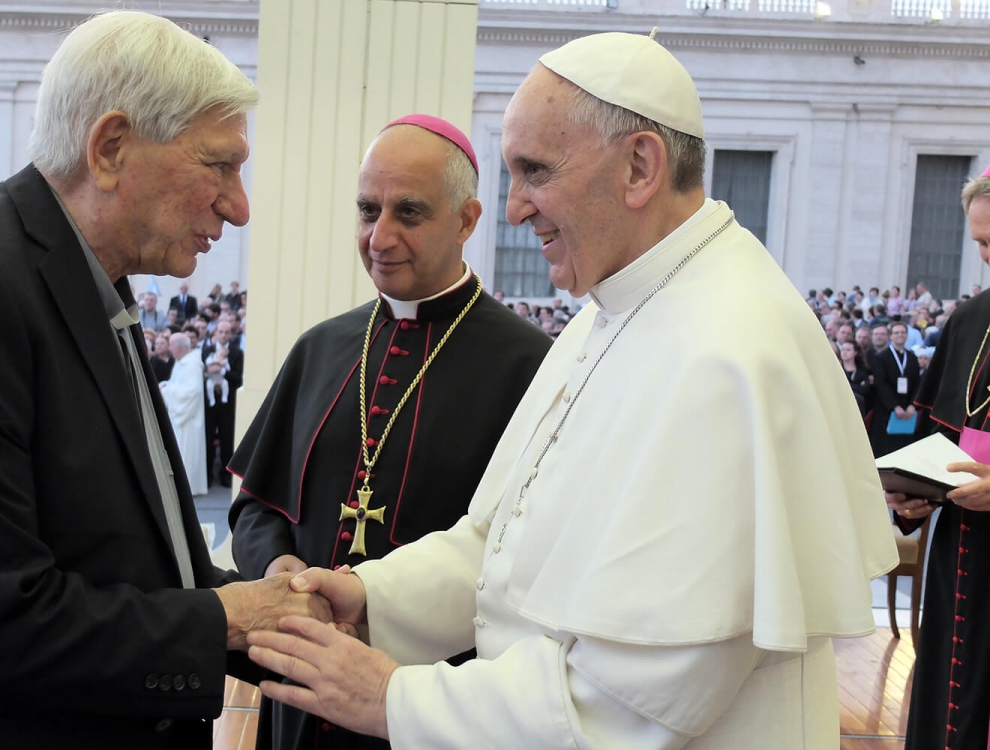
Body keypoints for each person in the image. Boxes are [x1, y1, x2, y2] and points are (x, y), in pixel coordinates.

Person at [243, 31, 897, 749]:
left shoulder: (729, 352)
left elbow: (627, 705)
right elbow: (502, 546)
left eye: (534, 171)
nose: (515, 208)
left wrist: (395, 697)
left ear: (640, 166)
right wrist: (373, 595)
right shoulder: (609, 313)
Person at [0, 12, 334, 749]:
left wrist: (265, 605)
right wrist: (232, 616)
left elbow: (116, 556)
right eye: (220, 165)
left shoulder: (88, 286)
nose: (238, 207)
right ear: (110, 148)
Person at [228, 114, 552, 750]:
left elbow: (521, 563)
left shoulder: (530, 368)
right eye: (367, 209)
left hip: (435, 705)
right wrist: (281, 571)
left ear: (465, 220)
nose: (380, 236)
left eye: (408, 212)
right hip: (302, 690)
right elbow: (255, 510)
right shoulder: (321, 349)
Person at [887, 166, 990, 750]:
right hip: (960, 563)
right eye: (978, 242)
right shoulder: (970, 320)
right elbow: (936, 441)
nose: (985, 258)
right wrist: (912, 498)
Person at [159, 332, 208, 496]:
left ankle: (187, 488)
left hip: (188, 419)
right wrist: (167, 386)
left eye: (171, 345)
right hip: (180, 417)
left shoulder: (192, 365)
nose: (169, 348)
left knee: (186, 453)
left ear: (179, 347)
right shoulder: (181, 363)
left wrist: (168, 391)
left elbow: (192, 392)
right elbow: (177, 385)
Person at [870, 321, 922, 456]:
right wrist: (894, 406)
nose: (900, 335)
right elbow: (881, 384)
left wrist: (913, 405)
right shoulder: (881, 357)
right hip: (886, 408)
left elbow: (917, 383)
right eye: (896, 332)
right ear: (891, 336)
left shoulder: (911, 357)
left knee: (904, 446)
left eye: (903, 332)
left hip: (907, 408)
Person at [202, 321, 242, 487]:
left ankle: (226, 475)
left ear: (231, 334)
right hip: (210, 403)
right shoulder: (206, 351)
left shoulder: (237, 353)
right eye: (221, 331)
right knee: (208, 437)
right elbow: (201, 374)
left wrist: (223, 372)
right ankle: (207, 475)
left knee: (227, 439)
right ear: (216, 333)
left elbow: (238, 378)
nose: (224, 335)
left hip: (227, 403)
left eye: (227, 332)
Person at [840, 339, 873, 418]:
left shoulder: (863, 370)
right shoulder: (836, 369)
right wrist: (857, 386)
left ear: (855, 352)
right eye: (842, 349)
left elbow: (865, 389)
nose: (844, 352)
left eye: (848, 350)